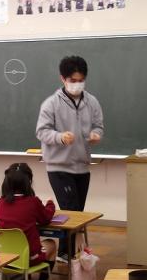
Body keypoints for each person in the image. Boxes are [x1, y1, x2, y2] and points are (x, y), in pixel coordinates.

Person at [36, 55, 104, 260]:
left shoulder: (92, 102)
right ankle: (67, 254)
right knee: (70, 209)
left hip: (82, 166)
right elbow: (41, 132)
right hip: (59, 167)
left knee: (76, 214)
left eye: (81, 80)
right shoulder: (51, 104)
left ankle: (67, 253)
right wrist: (59, 137)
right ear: (63, 79)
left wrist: (96, 134)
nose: (77, 84)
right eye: (72, 80)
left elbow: (99, 126)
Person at [0, 163, 57, 280]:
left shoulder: (0, 202)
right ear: (28, 182)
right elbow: (45, 219)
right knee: (51, 244)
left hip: (6, 257)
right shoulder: (33, 202)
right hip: (28, 258)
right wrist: (50, 204)